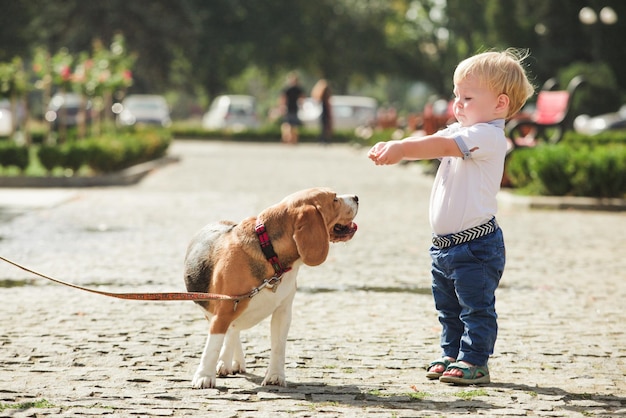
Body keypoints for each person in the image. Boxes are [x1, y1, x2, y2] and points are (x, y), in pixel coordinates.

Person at [368, 49, 534, 385]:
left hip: (475, 247)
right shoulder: (462, 131)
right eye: (456, 95)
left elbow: (439, 146)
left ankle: (475, 359)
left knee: (475, 308)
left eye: (468, 97)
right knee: (448, 308)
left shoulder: (487, 136)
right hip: (445, 247)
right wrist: (399, 144)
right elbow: (435, 140)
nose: (456, 104)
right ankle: (452, 352)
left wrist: (402, 150)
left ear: (500, 104)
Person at [280, 72, 305, 144]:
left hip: (293, 108)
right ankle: (289, 138)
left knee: (292, 125)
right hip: (289, 108)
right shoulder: (290, 89)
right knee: (289, 125)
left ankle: (291, 138)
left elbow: (302, 97)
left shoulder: (294, 89)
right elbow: (283, 98)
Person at [311, 79, 332, 144]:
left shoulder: (320, 94)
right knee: (325, 126)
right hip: (325, 112)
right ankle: (324, 139)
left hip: (323, 112)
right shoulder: (324, 94)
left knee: (323, 127)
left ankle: (323, 139)